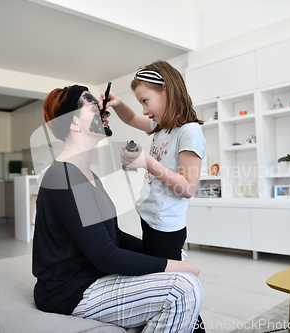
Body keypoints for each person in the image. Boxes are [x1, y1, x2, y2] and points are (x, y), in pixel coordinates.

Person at [32, 84, 203, 333]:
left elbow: (113, 237)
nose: (103, 110)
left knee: (180, 258)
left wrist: (162, 256)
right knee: (182, 288)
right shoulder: (63, 177)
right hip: (69, 291)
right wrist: (173, 267)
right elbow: (106, 256)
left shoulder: (87, 175)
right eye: (92, 105)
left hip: (92, 276)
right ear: (73, 123)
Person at [104, 61, 207, 332]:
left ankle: (192, 325)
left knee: (172, 286)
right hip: (150, 219)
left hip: (166, 227)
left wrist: (147, 162)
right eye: (140, 102)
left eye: (146, 100)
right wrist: (116, 103)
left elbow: (188, 187)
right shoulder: (162, 127)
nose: (144, 110)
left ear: (168, 91)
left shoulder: (189, 131)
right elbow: (130, 119)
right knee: (159, 280)